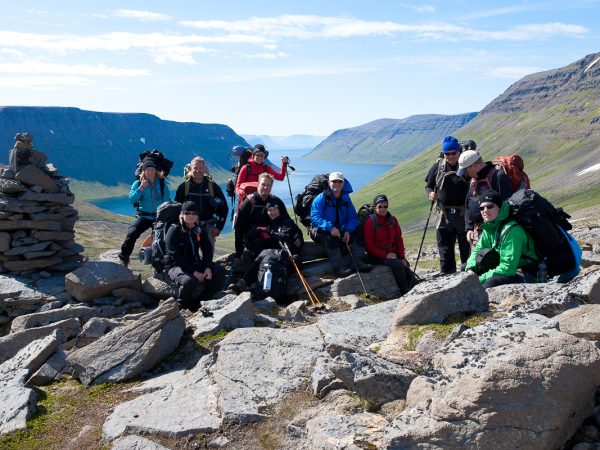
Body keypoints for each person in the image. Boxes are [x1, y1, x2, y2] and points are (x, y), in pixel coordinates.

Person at [465, 191, 538, 288]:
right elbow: (478, 250)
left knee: (489, 283)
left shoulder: (513, 231)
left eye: (490, 206)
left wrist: (479, 279)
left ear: (499, 207)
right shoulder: (490, 226)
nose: (485, 210)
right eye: (481, 208)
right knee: (465, 269)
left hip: (524, 272)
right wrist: (470, 269)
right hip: (505, 267)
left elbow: (508, 268)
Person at [165, 201, 225, 312]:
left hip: (194, 262)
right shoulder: (173, 231)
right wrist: (194, 272)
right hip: (175, 266)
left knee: (220, 270)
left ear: (197, 216)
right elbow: (176, 257)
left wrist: (207, 267)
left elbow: (207, 249)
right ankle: (181, 307)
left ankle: (201, 302)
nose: (191, 216)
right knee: (189, 281)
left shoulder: (198, 230)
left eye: (193, 213)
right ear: (182, 215)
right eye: (187, 213)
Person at [310, 171, 371, 277]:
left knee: (357, 230)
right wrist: (330, 228)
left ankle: (358, 262)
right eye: (334, 181)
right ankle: (338, 268)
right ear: (329, 183)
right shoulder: (321, 198)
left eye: (340, 182)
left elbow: (352, 217)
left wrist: (348, 230)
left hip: (339, 229)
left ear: (343, 183)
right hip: (319, 230)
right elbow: (315, 217)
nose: (337, 184)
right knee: (329, 237)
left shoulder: (346, 199)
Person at [424, 136, 470, 274]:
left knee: (466, 251)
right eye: (447, 154)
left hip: (463, 215)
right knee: (445, 252)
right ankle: (447, 279)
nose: (450, 156)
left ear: (459, 151)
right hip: (443, 216)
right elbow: (428, 186)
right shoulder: (438, 166)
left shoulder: (467, 165)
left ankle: (467, 278)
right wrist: (430, 193)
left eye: (453, 153)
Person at [118, 159, 170, 266]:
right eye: (148, 170)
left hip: (158, 216)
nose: (150, 172)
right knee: (132, 233)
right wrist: (142, 188)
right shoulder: (138, 183)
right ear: (144, 171)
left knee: (161, 239)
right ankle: (124, 258)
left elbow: (166, 200)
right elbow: (132, 199)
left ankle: (161, 263)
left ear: (155, 170)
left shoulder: (161, 182)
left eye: (152, 169)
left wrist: (164, 215)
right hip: (144, 215)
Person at [457, 150, 513, 245]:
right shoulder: (474, 180)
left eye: (466, 170)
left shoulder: (498, 177)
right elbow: (468, 204)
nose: (465, 174)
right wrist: (469, 228)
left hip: (496, 232)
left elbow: (507, 206)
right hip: (478, 232)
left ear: (475, 165)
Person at [363, 194, 416, 295]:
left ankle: (414, 285)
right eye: (380, 206)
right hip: (376, 256)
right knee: (397, 264)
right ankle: (404, 292)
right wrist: (385, 255)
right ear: (375, 207)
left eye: (385, 206)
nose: (383, 209)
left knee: (404, 263)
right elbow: (369, 245)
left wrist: (401, 257)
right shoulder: (370, 221)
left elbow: (398, 239)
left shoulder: (393, 220)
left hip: (392, 253)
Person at [174, 156, 228, 250]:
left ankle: (207, 264)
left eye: (200, 168)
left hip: (209, 225)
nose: (198, 170)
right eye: (195, 168)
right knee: (189, 253)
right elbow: (177, 209)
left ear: (205, 169)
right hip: (189, 225)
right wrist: (181, 226)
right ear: (191, 169)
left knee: (208, 253)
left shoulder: (213, 186)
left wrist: (219, 227)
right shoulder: (183, 187)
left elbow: (224, 207)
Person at [234, 173, 289, 261]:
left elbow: (287, 221)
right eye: (263, 184)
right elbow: (239, 228)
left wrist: (297, 235)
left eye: (268, 185)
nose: (266, 187)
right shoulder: (248, 202)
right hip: (254, 240)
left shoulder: (276, 201)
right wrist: (238, 253)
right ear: (258, 184)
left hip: (272, 237)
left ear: (271, 186)